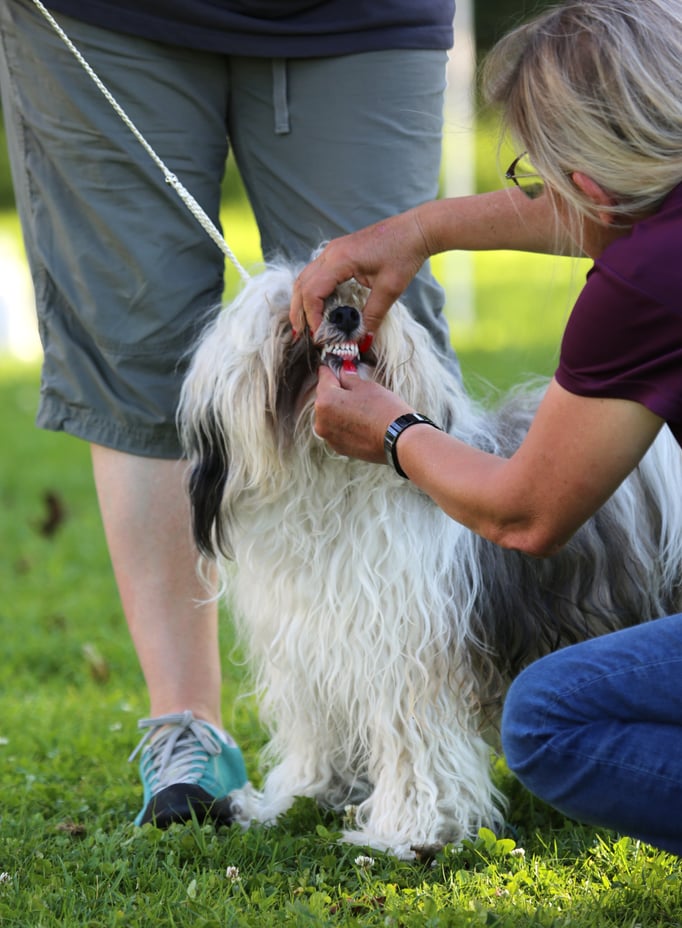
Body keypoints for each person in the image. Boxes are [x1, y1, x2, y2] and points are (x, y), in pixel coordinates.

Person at [0, 0, 459, 827]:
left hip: (359, 18)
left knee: (384, 322)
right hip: (96, 19)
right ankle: (190, 729)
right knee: (137, 352)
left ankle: (414, 712)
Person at [291, 0, 682, 855]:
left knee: (547, 716)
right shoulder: (658, 220)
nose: (537, 191)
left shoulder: (645, 283)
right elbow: (613, 202)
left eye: (535, 171)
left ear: (587, 181)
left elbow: (524, 515)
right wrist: (421, 230)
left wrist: (392, 429)